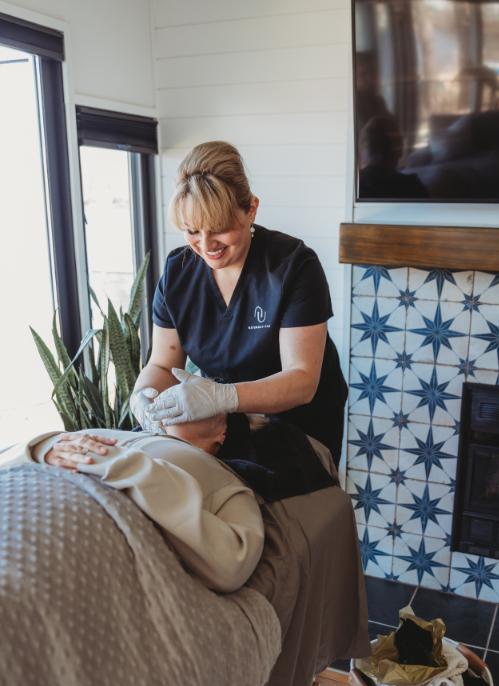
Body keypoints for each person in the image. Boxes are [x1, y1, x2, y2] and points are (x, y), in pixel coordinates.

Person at [130, 141, 348, 466]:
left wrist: (223, 397)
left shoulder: (293, 267)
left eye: (219, 229)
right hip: (226, 423)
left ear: (251, 210)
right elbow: (161, 365)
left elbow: (302, 379)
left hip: (294, 428)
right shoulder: (178, 272)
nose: (206, 246)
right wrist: (143, 399)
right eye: (192, 231)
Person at [0, 415, 264, 594]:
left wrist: (120, 464)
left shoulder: (225, 481)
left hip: (66, 524)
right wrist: (41, 447)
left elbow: (233, 563)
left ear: (222, 431)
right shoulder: (106, 434)